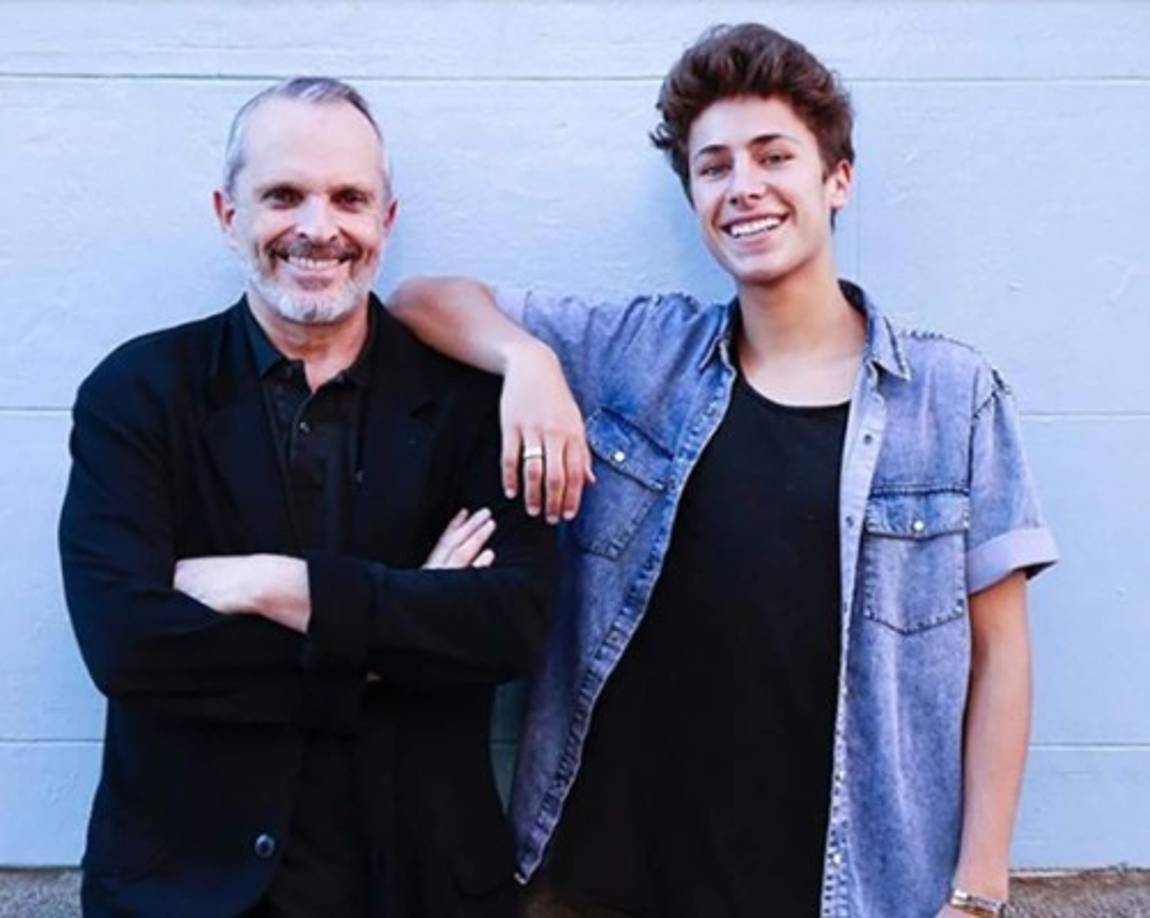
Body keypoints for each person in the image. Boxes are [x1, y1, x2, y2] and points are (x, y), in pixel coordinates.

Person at [389, 23, 1058, 918]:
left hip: (840, 892)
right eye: (714, 167)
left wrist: (978, 892)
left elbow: (1001, 653)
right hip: (601, 884)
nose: (744, 187)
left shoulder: (951, 397)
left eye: (774, 156)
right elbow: (420, 301)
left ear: (838, 180)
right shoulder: (638, 354)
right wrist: (528, 361)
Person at [59, 76, 555, 918]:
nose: (319, 228)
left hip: (418, 887)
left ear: (386, 221)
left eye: (349, 198)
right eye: (284, 196)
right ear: (228, 214)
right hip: (186, 891)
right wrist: (395, 635)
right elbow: (127, 646)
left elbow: (510, 627)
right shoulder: (138, 392)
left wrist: (276, 586)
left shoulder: (472, 405)